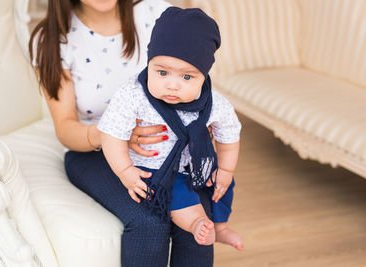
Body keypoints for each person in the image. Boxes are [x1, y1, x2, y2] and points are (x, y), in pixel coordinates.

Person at [29, 0, 215, 266]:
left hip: (166, 150)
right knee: (148, 221)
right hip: (93, 152)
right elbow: (66, 126)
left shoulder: (158, 14)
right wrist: (111, 135)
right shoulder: (53, 40)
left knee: (197, 217)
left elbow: (195, 82)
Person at [98, 7, 243, 250]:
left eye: (187, 77)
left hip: (195, 164)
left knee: (223, 186)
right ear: (150, 63)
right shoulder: (134, 94)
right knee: (179, 195)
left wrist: (226, 170)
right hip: (156, 168)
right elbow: (111, 135)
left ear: (204, 76)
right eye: (162, 72)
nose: (172, 85)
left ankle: (221, 228)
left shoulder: (213, 102)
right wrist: (125, 171)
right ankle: (198, 222)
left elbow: (229, 134)